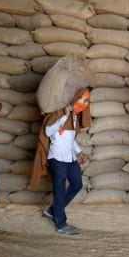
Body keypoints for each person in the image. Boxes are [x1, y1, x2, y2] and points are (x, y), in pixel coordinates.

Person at [30, 88, 91, 235]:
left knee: (77, 184)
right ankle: (61, 224)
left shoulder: (75, 117)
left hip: (69, 157)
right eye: (83, 99)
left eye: (87, 101)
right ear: (74, 98)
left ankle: (52, 211)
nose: (85, 104)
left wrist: (78, 151)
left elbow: (69, 138)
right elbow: (48, 132)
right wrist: (64, 116)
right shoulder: (59, 113)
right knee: (60, 188)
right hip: (56, 157)